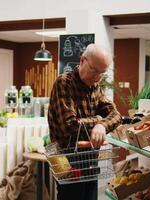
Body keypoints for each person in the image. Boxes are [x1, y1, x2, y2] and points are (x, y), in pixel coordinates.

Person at [48, 44, 122, 200]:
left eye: (101, 73)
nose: (96, 77)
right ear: (82, 61)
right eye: (94, 70)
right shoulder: (64, 83)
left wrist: (102, 125)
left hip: (90, 160)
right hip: (66, 161)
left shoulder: (95, 87)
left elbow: (116, 116)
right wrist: (98, 120)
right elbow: (70, 125)